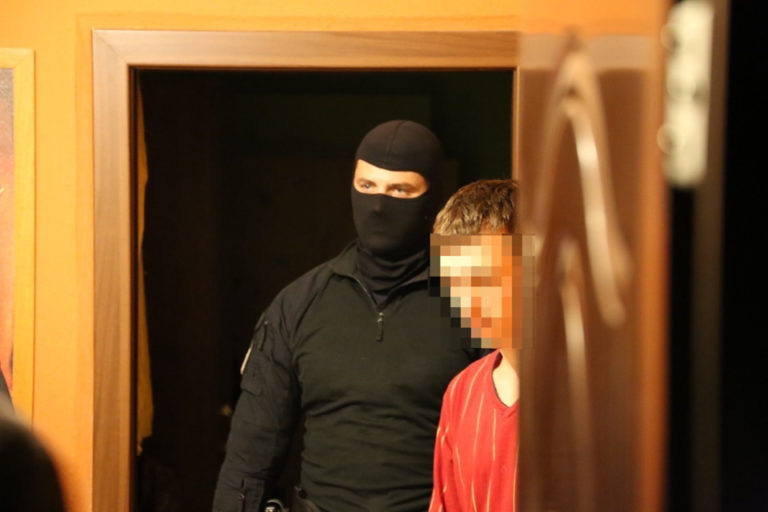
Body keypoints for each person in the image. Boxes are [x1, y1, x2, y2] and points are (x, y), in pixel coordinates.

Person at [213, 120, 480, 512]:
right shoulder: (298, 304)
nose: (379, 205)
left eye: (400, 190)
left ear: (433, 197)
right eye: (367, 185)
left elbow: (512, 438)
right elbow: (249, 458)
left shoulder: (471, 300)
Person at [428, 179, 531, 512]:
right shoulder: (461, 391)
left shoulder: (589, 395)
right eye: (455, 281)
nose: (468, 298)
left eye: (485, 277)